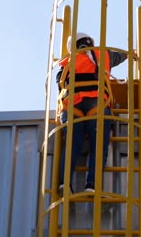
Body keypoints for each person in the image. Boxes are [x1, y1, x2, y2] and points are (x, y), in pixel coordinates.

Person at [56, 32, 127, 194]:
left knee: (72, 144)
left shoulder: (65, 62)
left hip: (71, 106)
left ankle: (64, 183)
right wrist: (136, 52)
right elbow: (122, 56)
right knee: (99, 145)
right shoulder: (104, 54)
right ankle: (91, 185)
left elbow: (60, 86)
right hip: (98, 104)